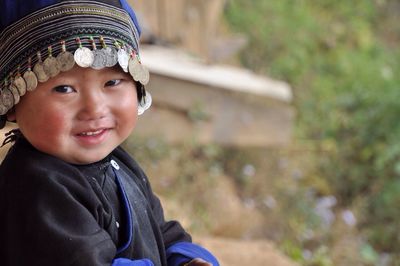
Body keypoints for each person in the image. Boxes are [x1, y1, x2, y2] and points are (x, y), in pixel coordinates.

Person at [0, 1, 219, 266]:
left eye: (112, 82)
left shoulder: (119, 162)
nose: (94, 108)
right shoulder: (37, 187)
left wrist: (186, 261)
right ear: (12, 101)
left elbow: (162, 233)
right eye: (64, 89)